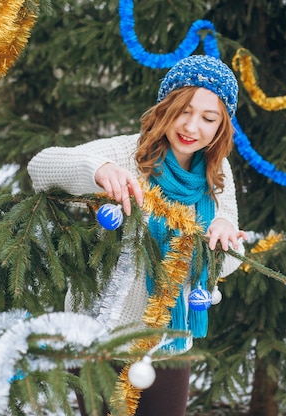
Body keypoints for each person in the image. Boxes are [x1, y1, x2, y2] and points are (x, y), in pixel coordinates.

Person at [27, 54, 247, 416]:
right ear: (166, 108)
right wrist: (97, 169)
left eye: (209, 118)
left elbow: (222, 270)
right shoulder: (128, 153)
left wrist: (224, 235)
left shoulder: (217, 172)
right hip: (100, 334)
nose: (192, 126)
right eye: (184, 111)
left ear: (221, 125)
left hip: (169, 342)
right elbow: (41, 166)